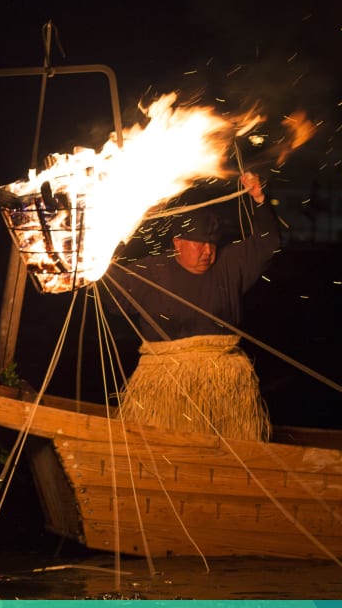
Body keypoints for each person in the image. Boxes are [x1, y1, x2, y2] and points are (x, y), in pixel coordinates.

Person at [104, 171, 279, 441]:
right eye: (199, 244)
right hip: (164, 384)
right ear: (178, 244)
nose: (207, 252)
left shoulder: (229, 265)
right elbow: (109, 290)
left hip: (224, 383)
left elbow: (267, 245)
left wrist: (258, 199)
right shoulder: (150, 272)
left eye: (211, 244)